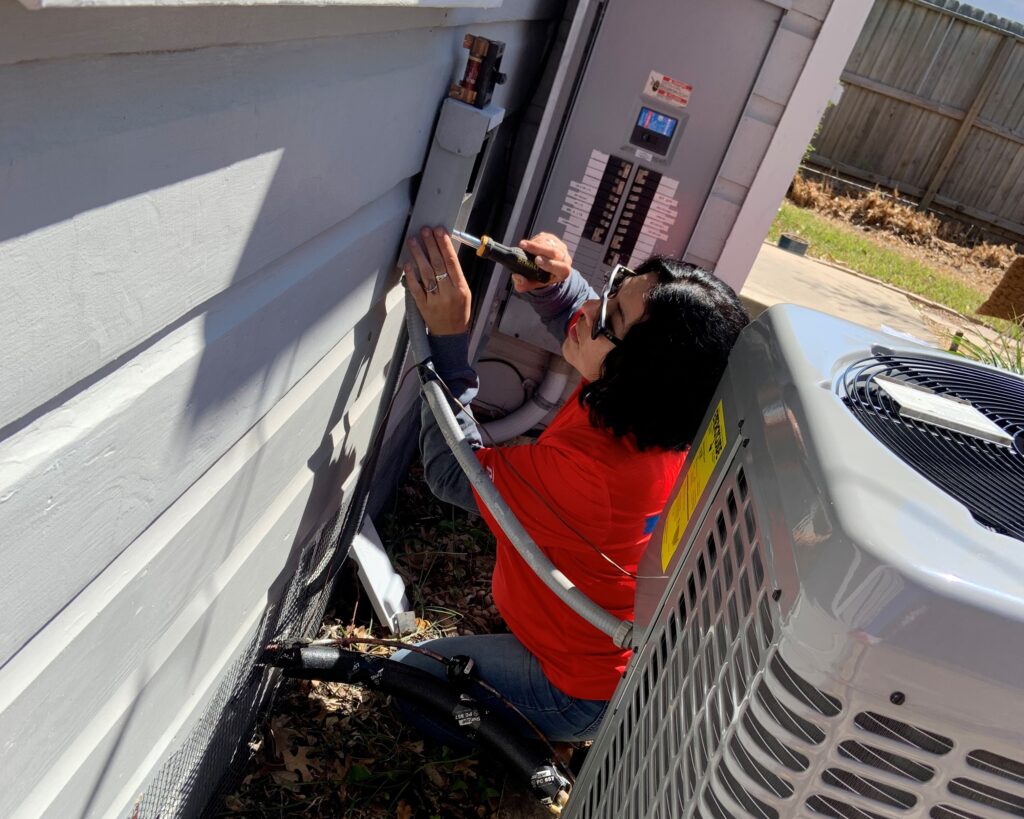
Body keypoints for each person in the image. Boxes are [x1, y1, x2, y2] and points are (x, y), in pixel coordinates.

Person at [396, 225, 749, 748]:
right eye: (612, 290)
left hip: (575, 689)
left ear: (638, 375)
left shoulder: (597, 477)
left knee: (410, 683)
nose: (588, 310)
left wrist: (447, 342)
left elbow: (452, 472)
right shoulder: (668, 412)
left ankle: (532, 737)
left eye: (608, 317)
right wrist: (556, 287)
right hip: (602, 648)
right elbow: (599, 326)